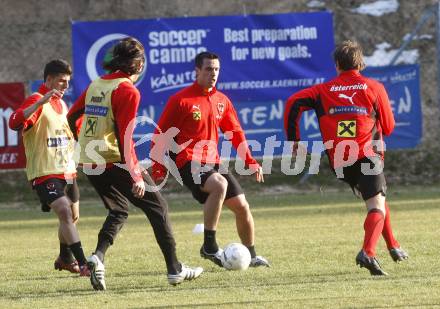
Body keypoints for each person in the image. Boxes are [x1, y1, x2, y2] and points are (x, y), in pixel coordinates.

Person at [67, 37, 203, 290]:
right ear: (138, 65)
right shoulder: (128, 90)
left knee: (119, 210)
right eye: (141, 60)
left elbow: (72, 116)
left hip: (89, 160)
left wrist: (84, 140)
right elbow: (125, 136)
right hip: (113, 159)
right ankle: (174, 269)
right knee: (158, 207)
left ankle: (97, 258)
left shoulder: (97, 84)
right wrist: (136, 175)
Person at [284, 40, 408, 276]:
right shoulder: (373, 87)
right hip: (366, 156)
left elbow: (293, 103)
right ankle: (368, 253)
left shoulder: (322, 90)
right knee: (376, 206)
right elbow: (389, 127)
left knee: (377, 200)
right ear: (360, 63)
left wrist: (294, 140)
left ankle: (393, 245)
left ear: (337, 65)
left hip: (340, 162)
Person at [151, 51, 270, 268]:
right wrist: (159, 168)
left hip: (212, 161)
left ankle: (251, 255)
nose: (213, 73)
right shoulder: (180, 100)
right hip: (187, 161)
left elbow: (235, 132)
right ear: (197, 71)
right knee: (219, 184)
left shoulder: (221, 100)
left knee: (242, 206)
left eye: (216, 69)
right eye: (208, 69)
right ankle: (209, 246)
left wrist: (250, 161)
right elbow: (160, 135)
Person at [9, 59, 90, 277]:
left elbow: (65, 133)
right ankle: (84, 264)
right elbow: (14, 123)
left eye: (67, 82)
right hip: (45, 172)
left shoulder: (61, 104)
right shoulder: (37, 100)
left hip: (68, 170)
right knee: (64, 212)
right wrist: (38, 103)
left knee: (72, 217)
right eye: (61, 81)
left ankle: (65, 258)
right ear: (48, 80)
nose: (65, 86)